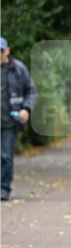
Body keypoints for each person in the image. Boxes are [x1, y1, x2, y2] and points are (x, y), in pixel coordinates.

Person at [1, 37, 37, 202]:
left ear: (7, 51)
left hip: (9, 121)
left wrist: (26, 109)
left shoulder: (18, 69)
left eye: (1, 51)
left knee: (5, 156)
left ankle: (3, 188)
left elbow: (31, 91)